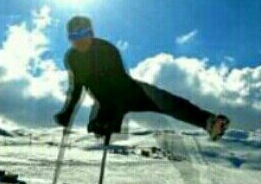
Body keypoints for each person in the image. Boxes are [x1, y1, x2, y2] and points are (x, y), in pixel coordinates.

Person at [54, 15, 230, 140]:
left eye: (83, 34)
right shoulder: (72, 58)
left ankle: (209, 122)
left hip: (128, 91)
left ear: (91, 33)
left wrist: (110, 117)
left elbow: (119, 83)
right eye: (73, 37)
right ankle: (100, 130)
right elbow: (76, 88)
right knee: (100, 132)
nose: (79, 41)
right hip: (104, 100)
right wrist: (67, 113)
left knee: (167, 101)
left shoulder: (106, 49)